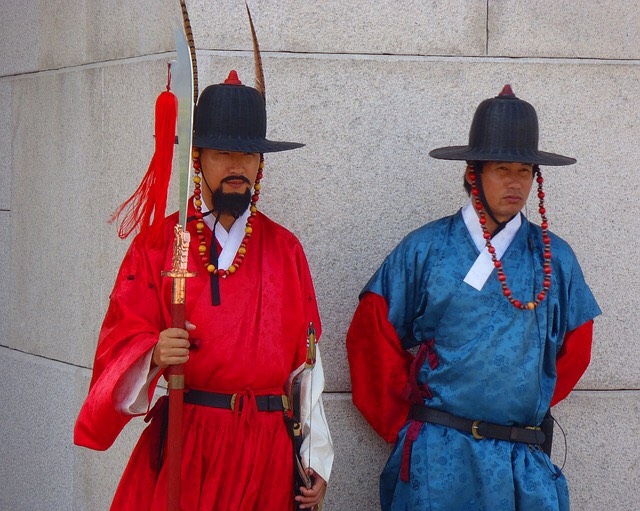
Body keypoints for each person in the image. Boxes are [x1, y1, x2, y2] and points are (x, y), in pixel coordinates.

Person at [74, 69, 333, 511]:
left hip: (266, 450)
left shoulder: (285, 249)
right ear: (197, 159)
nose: (237, 167)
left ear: (260, 163)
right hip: (190, 443)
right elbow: (119, 340)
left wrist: (315, 457)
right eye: (222, 154)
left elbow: (306, 368)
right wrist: (154, 353)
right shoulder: (160, 243)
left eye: (248, 155)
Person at [346, 85, 600, 511]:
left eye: (525, 171)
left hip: (520, 456)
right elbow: (370, 336)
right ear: (471, 173)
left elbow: (577, 348)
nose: (515, 182)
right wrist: (409, 427)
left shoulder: (555, 259)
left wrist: (520, 401)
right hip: (436, 455)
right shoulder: (426, 248)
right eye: (502, 169)